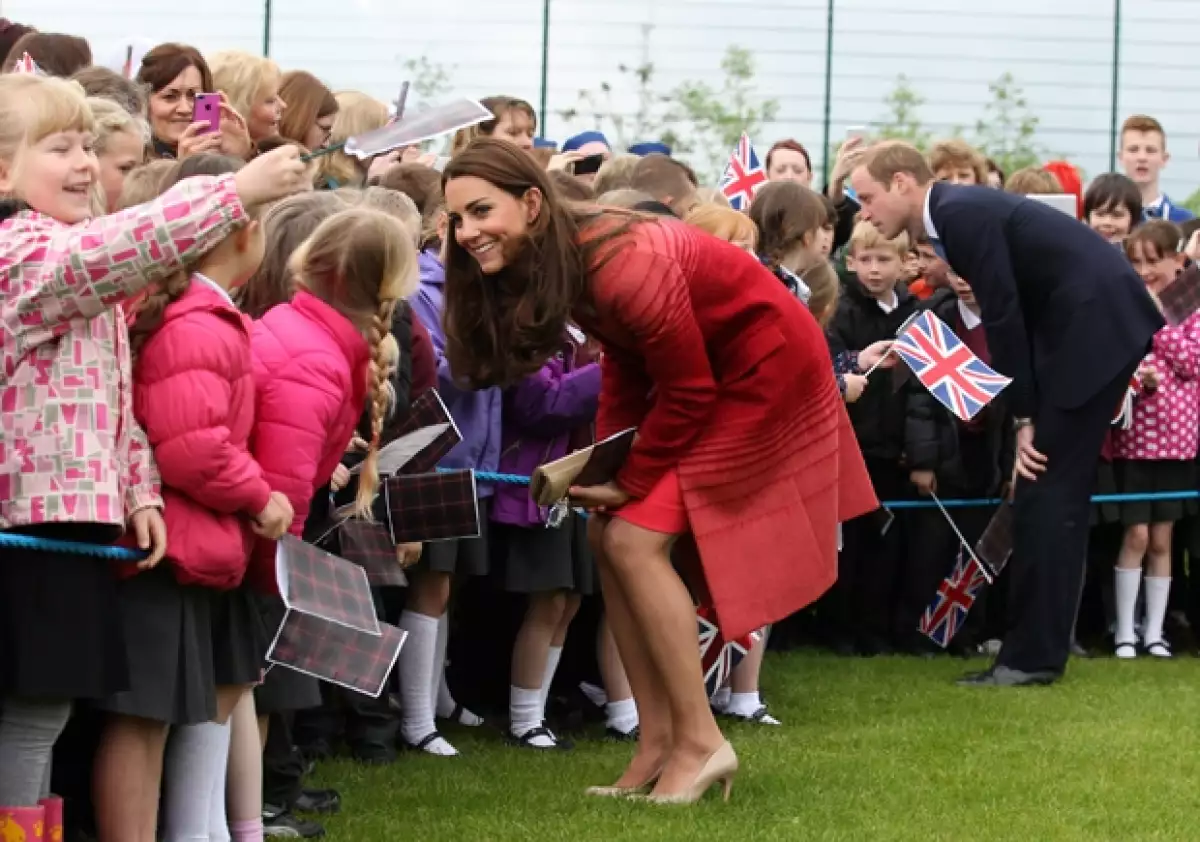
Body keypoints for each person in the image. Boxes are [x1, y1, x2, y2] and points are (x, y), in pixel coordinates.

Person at [440, 138, 876, 802]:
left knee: (632, 541)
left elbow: (690, 391)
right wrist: (614, 458)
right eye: (456, 219)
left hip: (763, 373)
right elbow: (625, 363)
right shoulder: (574, 254)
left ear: (531, 204)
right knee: (605, 535)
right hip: (721, 377)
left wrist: (634, 478)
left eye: (480, 211)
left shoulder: (623, 262)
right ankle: (658, 743)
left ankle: (700, 743)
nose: (466, 232)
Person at [849, 140, 1163, 686]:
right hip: (1088, 329)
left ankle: (1030, 659)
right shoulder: (955, 211)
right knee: (1050, 496)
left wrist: (1023, 419)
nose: (864, 213)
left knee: (1046, 493)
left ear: (901, 183)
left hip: (1091, 330)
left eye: (868, 197)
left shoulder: (957, 213)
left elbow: (1003, 311)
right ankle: (1035, 654)